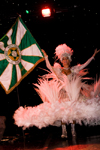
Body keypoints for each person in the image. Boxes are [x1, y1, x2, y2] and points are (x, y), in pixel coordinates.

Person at [13, 44, 100, 139]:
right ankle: (64, 130)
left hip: (73, 95)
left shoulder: (74, 70)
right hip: (63, 94)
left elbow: (84, 65)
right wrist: (46, 57)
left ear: (69, 59)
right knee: (62, 112)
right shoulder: (59, 71)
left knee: (73, 112)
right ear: (61, 61)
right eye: (63, 59)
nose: (65, 61)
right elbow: (49, 66)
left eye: (66, 59)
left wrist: (93, 57)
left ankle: (73, 129)